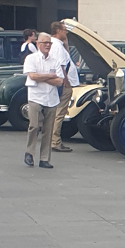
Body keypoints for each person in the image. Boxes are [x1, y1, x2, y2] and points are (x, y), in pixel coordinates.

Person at [22, 33, 64, 169]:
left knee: (48, 129)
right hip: (35, 96)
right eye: (45, 43)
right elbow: (32, 75)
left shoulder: (55, 60)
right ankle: (29, 152)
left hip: (51, 98)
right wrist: (49, 75)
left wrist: (42, 77)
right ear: (38, 44)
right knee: (34, 125)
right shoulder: (31, 58)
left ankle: (44, 158)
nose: (47, 45)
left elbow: (59, 81)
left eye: (49, 43)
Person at [47, 22, 78, 153]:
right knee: (59, 113)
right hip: (63, 83)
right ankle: (55, 141)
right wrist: (66, 82)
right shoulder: (58, 47)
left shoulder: (56, 45)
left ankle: (52, 140)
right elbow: (62, 66)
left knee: (55, 112)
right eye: (64, 30)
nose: (66, 33)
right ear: (58, 31)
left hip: (57, 82)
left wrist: (65, 43)